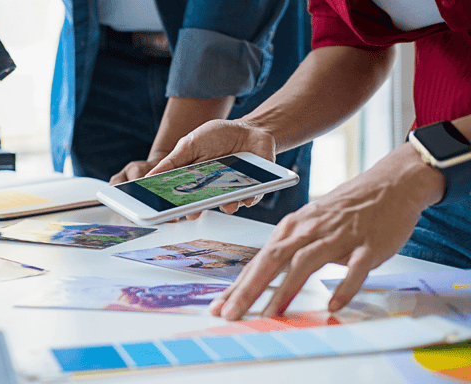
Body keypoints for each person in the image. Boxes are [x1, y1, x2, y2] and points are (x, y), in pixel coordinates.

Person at [146, 0, 471, 320]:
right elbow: (352, 43)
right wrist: (259, 128)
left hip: (429, 179)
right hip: (444, 206)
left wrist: (412, 169)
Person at [0, 0, 315, 226]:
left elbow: (231, 11)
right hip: (100, 65)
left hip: (247, 76)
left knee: (240, 284)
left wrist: (165, 157)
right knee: (109, 283)